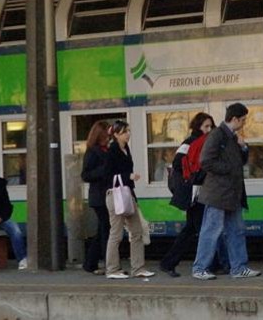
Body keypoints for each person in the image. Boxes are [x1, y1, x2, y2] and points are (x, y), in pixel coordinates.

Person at [192, 103, 261, 280]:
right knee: (211, 230)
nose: (245, 123)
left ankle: (238, 267)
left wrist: (244, 147)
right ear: (234, 119)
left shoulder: (232, 136)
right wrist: (228, 168)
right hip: (218, 193)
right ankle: (200, 267)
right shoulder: (217, 135)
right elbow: (205, 161)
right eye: (243, 120)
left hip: (232, 192)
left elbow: (241, 161)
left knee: (236, 230)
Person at [159, 112, 230, 277]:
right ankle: (208, 264)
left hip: (200, 192)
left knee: (195, 228)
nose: (209, 129)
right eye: (206, 126)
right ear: (197, 127)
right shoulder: (190, 142)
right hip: (194, 192)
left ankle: (172, 262)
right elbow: (177, 162)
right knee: (200, 229)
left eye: (211, 126)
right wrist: (194, 172)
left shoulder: (207, 142)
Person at [104, 120, 155, 279]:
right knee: (116, 234)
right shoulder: (112, 151)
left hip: (127, 194)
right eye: (125, 131)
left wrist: (134, 197)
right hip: (115, 195)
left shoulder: (126, 148)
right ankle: (112, 269)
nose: (128, 134)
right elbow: (108, 174)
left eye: (128, 131)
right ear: (116, 134)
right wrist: (128, 176)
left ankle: (138, 267)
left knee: (137, 231)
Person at [80, 120, 112, 275]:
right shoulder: (92, 151)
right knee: (106, 229)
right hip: (99, 196)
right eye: (107, 132)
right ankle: (108, 262)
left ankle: (90, 263)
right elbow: (85, 175)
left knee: (103, 229)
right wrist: (104, 170)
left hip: (106, 194)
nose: (110, 135)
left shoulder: (107, 150)